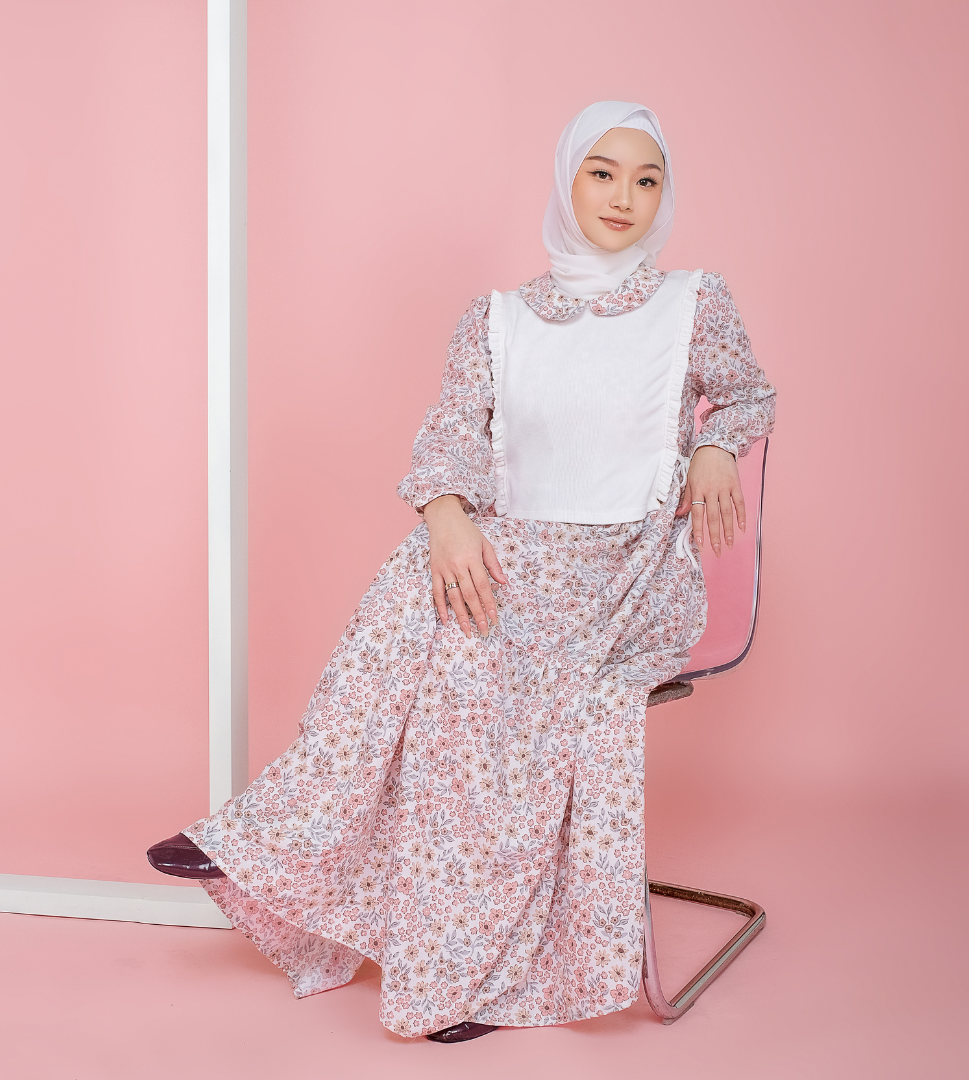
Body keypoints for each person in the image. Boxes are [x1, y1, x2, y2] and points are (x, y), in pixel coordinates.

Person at [148, 100, 776, 1042]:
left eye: (647, 180)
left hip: (626, 573)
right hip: (515, 559)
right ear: (567, 180)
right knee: (437, 608)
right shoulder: (500, 319)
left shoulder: (694, 302)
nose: (624, 197)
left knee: (476, 672)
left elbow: (749, 395)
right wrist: (445, 516)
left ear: (664, 197)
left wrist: (718, 443)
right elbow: (453, 435)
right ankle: (371, 899)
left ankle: (299, 848)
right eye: (603, 172)